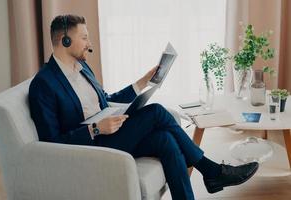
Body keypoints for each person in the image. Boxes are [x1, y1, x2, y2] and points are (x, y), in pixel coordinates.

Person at [29, 14, 259, 200]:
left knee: (165, 140)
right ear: (65, 40)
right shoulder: (44, 84)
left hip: (110, 133)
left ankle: (201, 184)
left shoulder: (82, 68)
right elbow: (50, 142)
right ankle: (212, 171)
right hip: (91, 147)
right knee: (157, 111)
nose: (90, 44)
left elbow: (106, 100)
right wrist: (96, 129)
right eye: (84, 38)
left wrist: (142, 82)